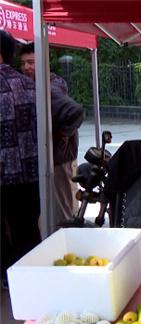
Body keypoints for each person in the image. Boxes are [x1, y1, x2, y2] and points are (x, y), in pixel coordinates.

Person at [19, 43, 85, 226]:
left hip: (58, 158)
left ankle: (67, 240)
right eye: (23, 63)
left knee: (63, 211)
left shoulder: (48, 88)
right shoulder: (45, 84)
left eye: (31, 62)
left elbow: (76, 112)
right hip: (57, 158)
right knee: (60, 208)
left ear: (43, 62)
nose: (26, 67)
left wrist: (61, 136)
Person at [0, 31, 41, 279]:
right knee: (27, 229)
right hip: (31, 173)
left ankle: (7, 278)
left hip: (3, 174)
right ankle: (30, 278)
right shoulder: (30, 84)